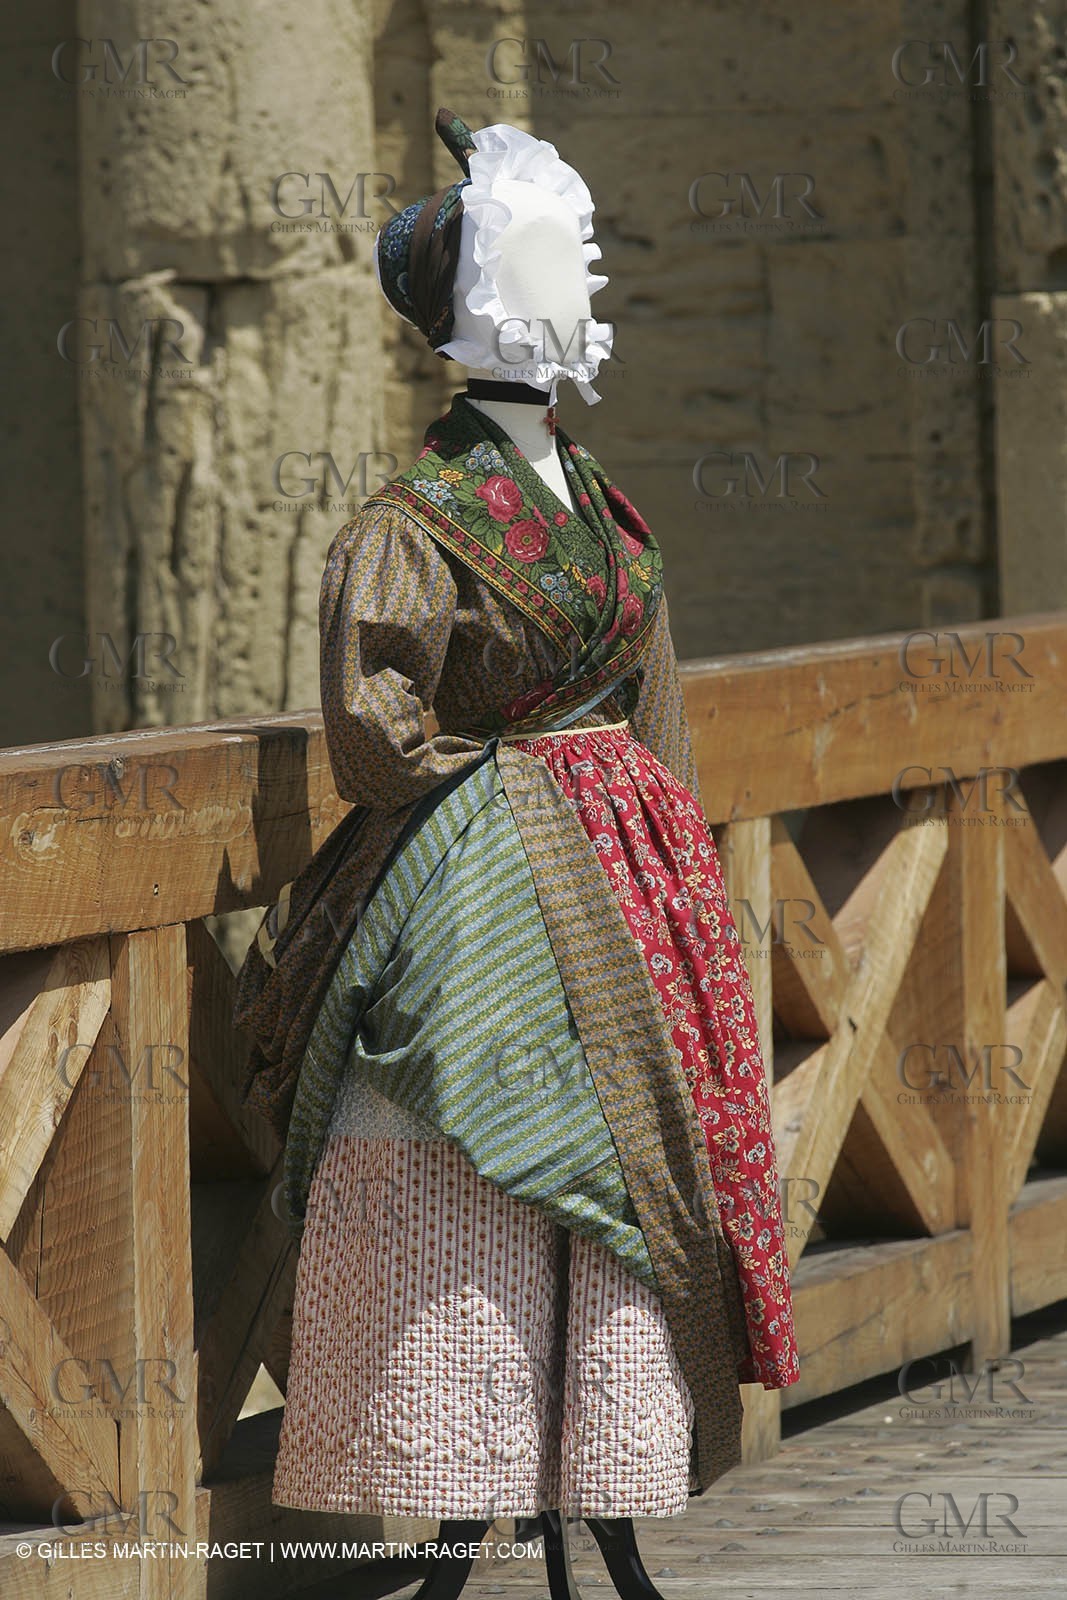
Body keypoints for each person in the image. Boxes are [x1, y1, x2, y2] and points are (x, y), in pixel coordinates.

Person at [233, 108, 798, 1600]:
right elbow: (374, 736)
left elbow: (659, 721)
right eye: (564, 237)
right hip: (477, 876)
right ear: (483, 291)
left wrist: (670, 863)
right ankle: (463, 1498)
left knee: (632, 1169)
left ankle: (603, 1484)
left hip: (626, 880)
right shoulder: (412, 521)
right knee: (467, 1173)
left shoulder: (607, 510)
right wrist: (521, 794)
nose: (593, 257)